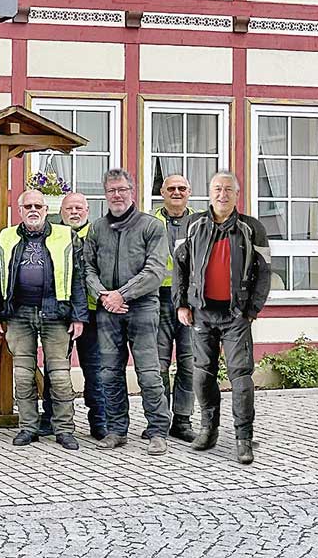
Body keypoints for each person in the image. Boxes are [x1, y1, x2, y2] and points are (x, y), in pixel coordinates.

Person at [173, 171, 271, 465]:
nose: (222, 194)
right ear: (209, 192)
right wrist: (181, 304)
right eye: (217, 188)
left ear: (236, 194)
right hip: (201, 311)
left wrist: (252, 309)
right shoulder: (193, 225)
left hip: (236, 314)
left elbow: (264, 271)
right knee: (202, 373)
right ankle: (208, 429)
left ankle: (243, 438)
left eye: (228, 189)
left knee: (241, 377)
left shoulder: (252, 228)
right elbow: (180, 267)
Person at [84, 168, 172, 455]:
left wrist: (121, 294)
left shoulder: (151, 226)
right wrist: (103, 295)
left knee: (149, 372)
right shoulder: (97, 228)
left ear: (131, 191)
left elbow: (155, 271)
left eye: (122, 189)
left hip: (143, 307)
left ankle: (158, 430)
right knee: (109, 372)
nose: (117, 195)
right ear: (105, 194)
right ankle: (116, 430)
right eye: (111, 190)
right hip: (108, 309)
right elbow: (87, 268)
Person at [0, 190, 87, 451]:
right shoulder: (6, 236)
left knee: (60, 377)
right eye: (27, 206)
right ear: (19, 210)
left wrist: (79, 316)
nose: (33, 210)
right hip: (19, 313)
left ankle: (64, 429)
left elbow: (78, 277)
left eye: (38, 206)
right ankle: (28, 427)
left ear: (46, 209)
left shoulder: (66, 235)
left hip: (56, 313)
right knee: (22, 375)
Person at [39, 191, 108, 440]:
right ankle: (49, 418)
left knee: (95, 369)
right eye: (69, 209)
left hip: (93, 313)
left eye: (79, 208)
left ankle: (99, 421)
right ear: (62, 212)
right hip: (60, 314)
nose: (74, 213)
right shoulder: (53, 236)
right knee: (54, 369)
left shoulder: (100, 235)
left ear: (87, 211)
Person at [152, 174, 200, 442]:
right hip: (158, 300)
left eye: (182, 188)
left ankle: (182, 420)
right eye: (171, 188)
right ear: (162, 192)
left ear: (189, 191)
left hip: (193, 303)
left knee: (189, 363)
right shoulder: (149, 222)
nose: (177, 192)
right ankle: (160, 420)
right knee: (158, 365)